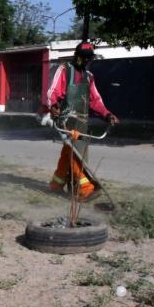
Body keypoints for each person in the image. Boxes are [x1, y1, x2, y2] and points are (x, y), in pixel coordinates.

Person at [44, 40, 119, 200]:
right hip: (66, 120)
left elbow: (95, 100)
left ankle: (56, 185)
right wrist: (53, 106)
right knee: (77, 154)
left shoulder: (88, 77)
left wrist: (107, 114)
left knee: (70, 152)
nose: (86, 61)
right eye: (84, 57)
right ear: (76, 56)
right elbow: (52, 91)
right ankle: (85, 188)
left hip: (82, 121)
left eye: (89, 58)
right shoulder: (65, 70)